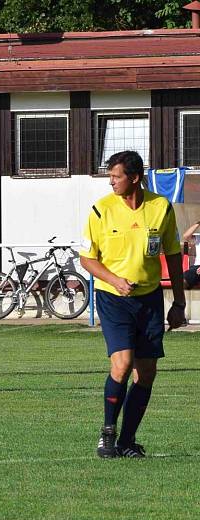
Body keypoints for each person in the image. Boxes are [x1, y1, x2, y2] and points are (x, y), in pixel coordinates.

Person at [79, 150, 186, 459]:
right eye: (110, 176)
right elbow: (87, 258)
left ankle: (127, 441)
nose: (111, 181)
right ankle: (107, 434)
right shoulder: (101, 211)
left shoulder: (161, 208)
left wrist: (178, 302)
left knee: (147, 373)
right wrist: (114, 280)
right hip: (113, 298)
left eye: (116, 176)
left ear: (135, 178)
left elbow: (173, 256)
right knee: (123, 364)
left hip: (149, 298)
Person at [180, 220, 200, 289]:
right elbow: (186, 236)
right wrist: (198, 223)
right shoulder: (198, 237)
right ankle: (181, 298)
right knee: (183, 280)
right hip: (196, 268)